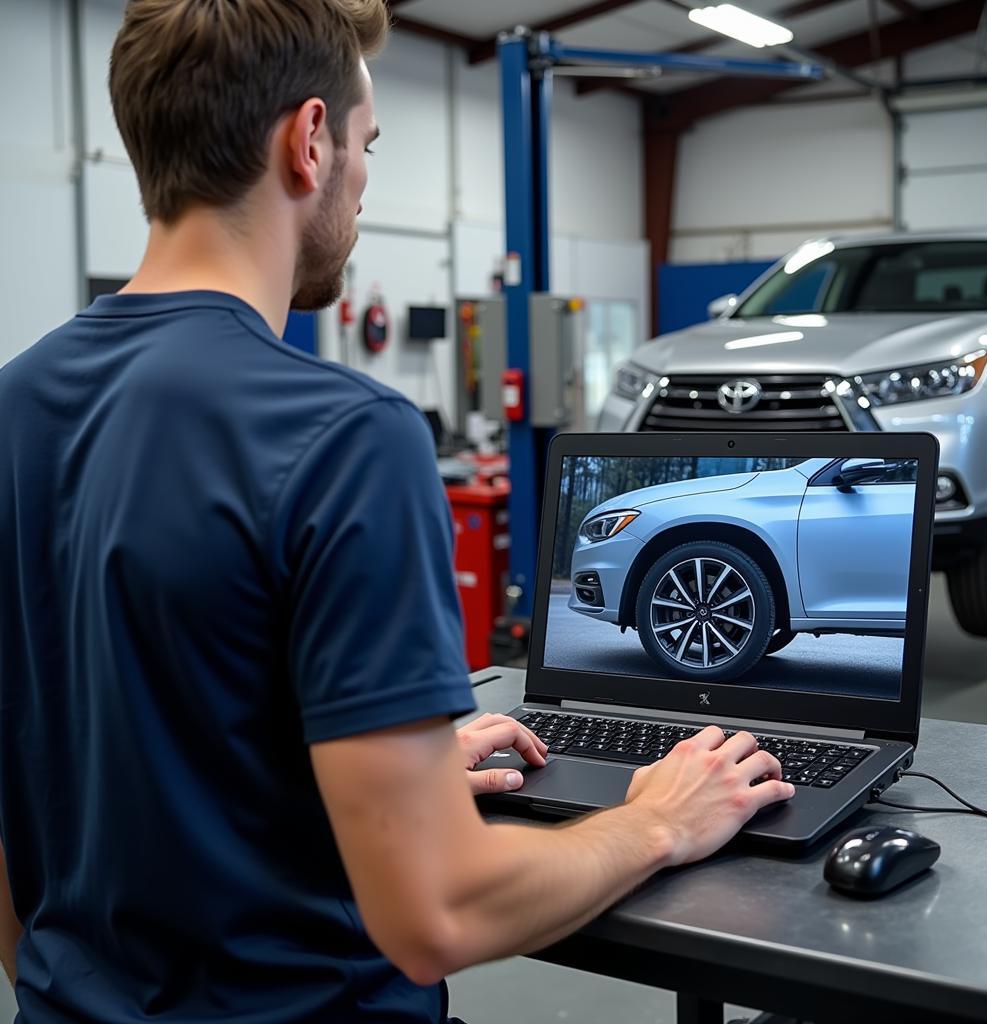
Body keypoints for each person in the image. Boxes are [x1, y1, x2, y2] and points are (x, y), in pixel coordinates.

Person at [0, 1, 794, 1021]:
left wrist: (376, 775)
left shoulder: (15, 406)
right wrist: (657, 822)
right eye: (367, 146)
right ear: (310, 139)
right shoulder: (344, 433)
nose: (364, 182)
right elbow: (435, 912)